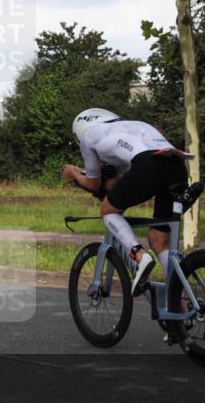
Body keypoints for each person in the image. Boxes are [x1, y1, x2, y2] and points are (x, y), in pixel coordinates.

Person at [62, 108, 190, 292]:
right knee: (159, 240)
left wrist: (74, 172)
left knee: (108, 210)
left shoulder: (88, 137)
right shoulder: (132, 126)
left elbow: (93, 183)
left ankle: (138, 254)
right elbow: (120, 185)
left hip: (149, 165)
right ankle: (180, 302)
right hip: (177, 166)